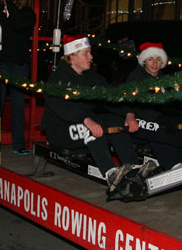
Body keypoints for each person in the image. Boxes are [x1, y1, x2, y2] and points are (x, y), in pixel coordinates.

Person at [40, 36, 151, 200]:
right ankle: (111, 174)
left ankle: (133, 168)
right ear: (73, 56)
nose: (91, 57)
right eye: (87, 53)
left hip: (87, 121)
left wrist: (129, 114)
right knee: (92, 126)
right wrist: (85, 119)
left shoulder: (91, 77)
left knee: (116, 122)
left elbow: (111, 97)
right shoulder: (58, 78)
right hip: (59, 130)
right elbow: (61, 107)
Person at [123, 42, 182, 171]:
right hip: (143, 119)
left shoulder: (163, 78)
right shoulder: (135, 77)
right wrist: (130, 115)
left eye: (158, 59)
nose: (155, 63)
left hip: (162, 116)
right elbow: (128, 101)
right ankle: (172, 165)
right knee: (160, 130)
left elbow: (174, 100)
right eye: (150, 59)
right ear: (144, 61)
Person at [0, 0, 36, 155]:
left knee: (18, 104)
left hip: (18, 63)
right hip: (0, 62)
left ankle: (18, 143)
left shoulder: (27, 13)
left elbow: (18, 24)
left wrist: (10, 5)